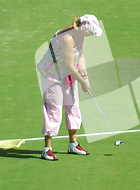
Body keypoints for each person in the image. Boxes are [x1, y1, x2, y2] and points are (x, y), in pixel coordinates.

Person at [36, 14, 102, 160]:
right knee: (54, 110)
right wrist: (83, 83)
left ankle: (73, 144)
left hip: (66, 74)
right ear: (84, 30)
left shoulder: (81, 36)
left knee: (73, 106)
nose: (91, 35)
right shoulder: (66, 38)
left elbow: (80, 57)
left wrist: (85, 78)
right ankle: (47, 149)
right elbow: (69, 66)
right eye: (91, 32)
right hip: (51, 75)